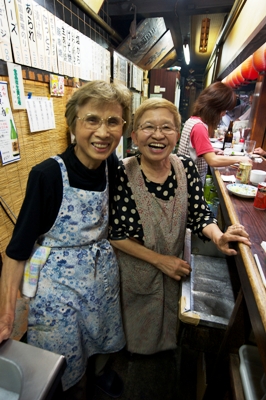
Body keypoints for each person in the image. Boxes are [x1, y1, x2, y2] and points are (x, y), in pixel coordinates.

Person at [0, 80, 132, 399]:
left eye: (112, 121)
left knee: (94, 353)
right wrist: (6, 315)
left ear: (123, 127)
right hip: (56, 289)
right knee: (59, 369)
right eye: (92, 120)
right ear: (73, 123)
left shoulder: (111, 166)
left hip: (99, 281)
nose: (103, 132)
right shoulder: (46, 175)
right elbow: (17, 252)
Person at [108, 97, 251, 355]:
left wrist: (218, 236)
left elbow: (199, 215)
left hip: (173, 268)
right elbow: (116, 235)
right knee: (138, 338)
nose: (158, 135)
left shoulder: (185, 167)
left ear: (177, 133)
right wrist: (160, 260)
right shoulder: (122, 173)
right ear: (134, 136)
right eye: (148, 127)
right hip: (137, 271)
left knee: (167, 329)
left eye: (167, 127)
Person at [178, 81, 251, 184]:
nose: (224, 114)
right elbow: (213, 161)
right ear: (214, 108)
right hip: (191, 181)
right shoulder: (200, 127)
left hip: (184, 176)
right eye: (223, 110)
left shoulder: (192, 120)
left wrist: (211, 150)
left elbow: (193, 148)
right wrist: (240, 159)